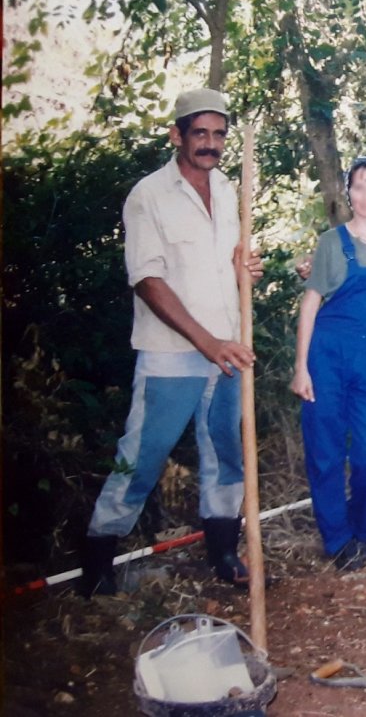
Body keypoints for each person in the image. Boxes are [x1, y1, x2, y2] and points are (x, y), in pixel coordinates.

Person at [80, 88, 264, 596]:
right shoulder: (148, 195)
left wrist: (241, 267)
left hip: (228, 347)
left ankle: (224, 552)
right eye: (199, 133)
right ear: (176, 135)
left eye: (219, 134)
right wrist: (207, 343)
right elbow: (148, 280)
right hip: (173, 354)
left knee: (225, 452)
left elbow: (228, 259)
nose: (210, 143)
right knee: (141, 456)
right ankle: (97, 561)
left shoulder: (227, 188)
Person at [291, 157, 366, 571]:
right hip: (327, 354)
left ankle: (363, 527)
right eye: (357, 186)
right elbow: (310, 304)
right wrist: (301, 366)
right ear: (349, 193)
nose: (365, 195)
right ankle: (338, 539)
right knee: (324, 453)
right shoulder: (331, 242)